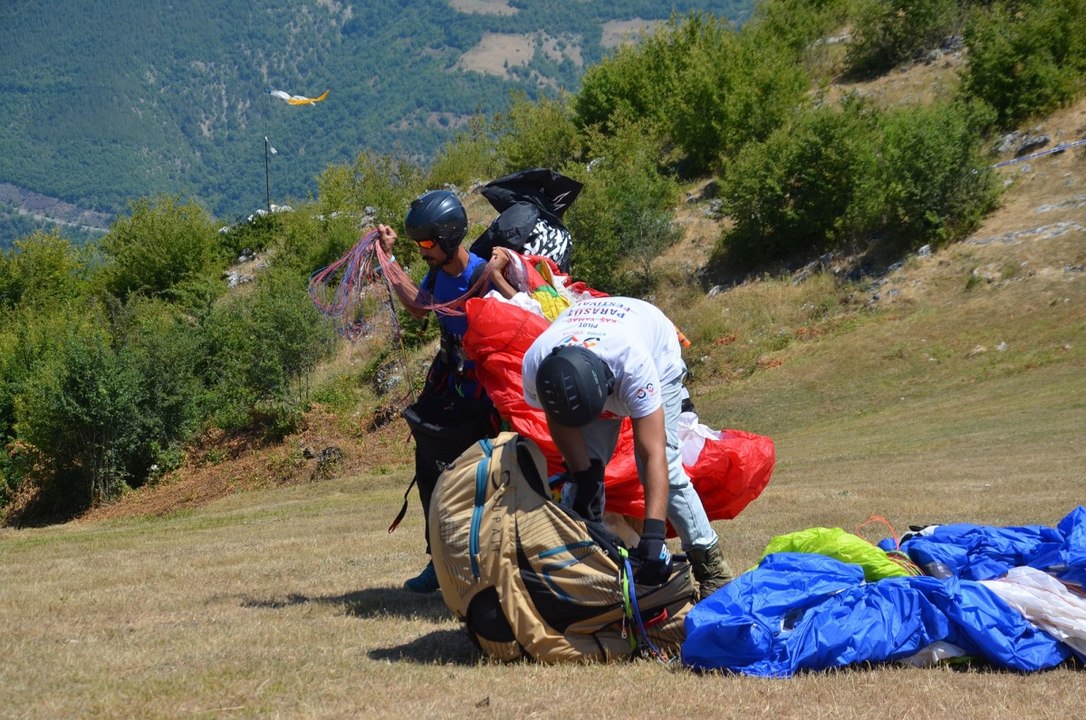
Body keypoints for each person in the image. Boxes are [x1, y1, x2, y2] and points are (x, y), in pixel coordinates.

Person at [520, 296, 733, 598]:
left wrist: (654, 537)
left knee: (665, 470)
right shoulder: (536, 363)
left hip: (654, 351)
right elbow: (558, 419)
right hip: (589, 352)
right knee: (582, 480)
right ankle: (590, 564)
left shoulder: (634, 364)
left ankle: (711, 568)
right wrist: (585, 475)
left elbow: (653, 452)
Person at [377, 189, 505, 593]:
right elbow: (420, 306)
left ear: (450, 237)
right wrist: (388, 258)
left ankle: (494, 562)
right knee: (430, 464)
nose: (423, 251)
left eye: (428, 244)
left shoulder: (483, 275)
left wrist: (500, 278)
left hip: (485, 388)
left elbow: (520, 319)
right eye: (419, 245)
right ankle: (439, 559)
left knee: (487, 476)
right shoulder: (437, 274)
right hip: (450, 379)